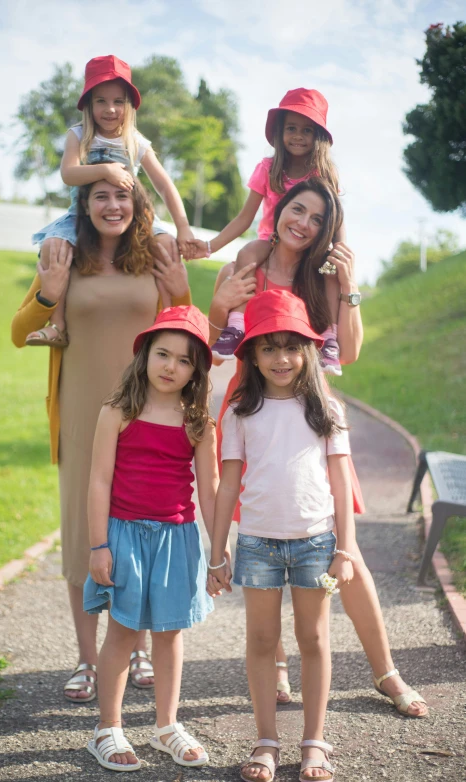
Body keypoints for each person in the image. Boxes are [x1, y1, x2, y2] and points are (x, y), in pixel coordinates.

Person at [208, 179, 428, 719]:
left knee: (334, 537)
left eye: (315, 218)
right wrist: (216, 307)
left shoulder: (323, 275)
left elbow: (345, 352)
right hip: (251, 406)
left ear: (325, 230)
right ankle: (277, 667)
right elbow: (216, 347)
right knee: (264, 529)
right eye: (295, 209)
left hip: (311, 412)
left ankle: (386, 670)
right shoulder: (249, 259)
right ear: (278, 209)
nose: (302, 223)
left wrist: (349, 285)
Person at [11, 174, 190, 702]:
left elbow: (186, 325)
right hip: (82, 415)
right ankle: (88, 660)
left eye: (122, 196)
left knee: (142, 532)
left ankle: (133, 649)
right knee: (81, 538)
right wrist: (48, 294)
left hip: (148, 417)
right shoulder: (62, 254)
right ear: (84, 204)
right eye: (101, 196)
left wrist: (179, 288)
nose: (113, 205)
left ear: (137, 204)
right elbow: (20, 332)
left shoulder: (154, 256)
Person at [208, 289, 355, 782]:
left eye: (291, 346)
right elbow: (227, 484)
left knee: (313, 638)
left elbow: (341, 482)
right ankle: (266, 740)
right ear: (251, 353)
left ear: (309, 350)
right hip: (257, 544)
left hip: (317, 543)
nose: (282, 358)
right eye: (268, 347)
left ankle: (314, 742)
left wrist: (346, 548)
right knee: (262, 640)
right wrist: (217, 551)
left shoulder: (326, 409)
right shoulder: (240, 413)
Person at [83, 305, 221, 772]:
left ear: (196, 370)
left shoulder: (198, 420)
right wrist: (98, 545)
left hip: (176, 539)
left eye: (184, 360)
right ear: (144, 354)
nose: (170, 366)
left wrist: (217, 553)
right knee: (123, 632)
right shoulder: (118, 410)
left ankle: (166, 726)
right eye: (163, 354)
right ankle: (108, 728)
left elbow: (211, 490)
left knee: (169, 633)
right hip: (123, 536)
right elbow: (99, 480)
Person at [26, 54, 195, 349]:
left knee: (166, 245)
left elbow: (166, 187)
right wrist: (105, 170)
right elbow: (68, 174)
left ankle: (166, 322)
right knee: (53, 246)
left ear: (129, 105)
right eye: (101, 101)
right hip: (80, 216)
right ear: (89, 104)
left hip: (130, 217)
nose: (110, 109)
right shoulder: (78, 136)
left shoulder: (137, 143)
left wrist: (183, 228)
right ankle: (58, 325)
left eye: (118, 101)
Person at [186, 88, 344, 374]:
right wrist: (210, 247)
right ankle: (236, 324)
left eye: (306, 130)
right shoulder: (269, 169)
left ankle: (330, 338)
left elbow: (336, 218)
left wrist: (341, 255)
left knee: (330, 274)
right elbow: (244, 218)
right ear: (279, 132)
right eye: (291, 128)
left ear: (318, 136)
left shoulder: (324, 174)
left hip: (311, 247)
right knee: (248, 253)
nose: (298, 135)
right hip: (270, 241)